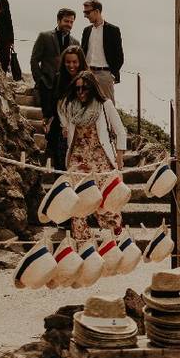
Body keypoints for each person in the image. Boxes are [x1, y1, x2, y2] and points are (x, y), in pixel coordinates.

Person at [58, 70, 127, 241]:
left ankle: (114, 235)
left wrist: (119, 158)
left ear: (93, 88)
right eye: (78, 88)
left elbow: (120, 132)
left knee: (107, 202)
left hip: (101, 159)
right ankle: (83, 245)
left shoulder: (105, 105)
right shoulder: (69, 107)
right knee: (78, 205)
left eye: (85, 88)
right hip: (77, 160)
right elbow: (61, 112)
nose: (81, 92)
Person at [31, 9, 79, 169]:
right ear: (59, 20)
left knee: (61, 121)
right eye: (66, 21)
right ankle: (50, 152)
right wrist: (40, 80)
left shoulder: (75, 42)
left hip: (65, 90)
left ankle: (56, 155)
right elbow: (34, 59)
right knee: (49, 118)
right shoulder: (45, 36)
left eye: (72, 22)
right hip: (48, 86)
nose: (69, 25)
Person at [81, 0, 124, 102]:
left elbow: (119, 56)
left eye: (87, 12)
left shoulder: (113, 30)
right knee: (87, 104)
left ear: (97, 11)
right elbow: (83, 51)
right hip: (88, 73)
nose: (85, 15)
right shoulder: (86, 31)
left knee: (108, 106)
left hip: (105, 74)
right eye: (84, 12)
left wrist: (112, 74)